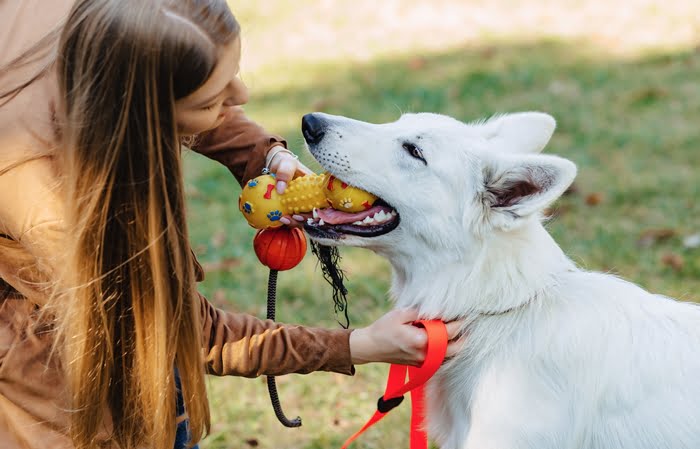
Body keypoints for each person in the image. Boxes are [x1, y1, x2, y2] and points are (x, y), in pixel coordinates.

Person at [0, 1, 463, 449]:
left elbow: (177, 66)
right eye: (215, 99)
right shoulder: (54, 205)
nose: (241, 96)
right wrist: (358, 344)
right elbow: (197, 335)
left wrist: (265, 154)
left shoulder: (113, 20)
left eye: (233, 75)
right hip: (72, 395)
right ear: (146, 115)